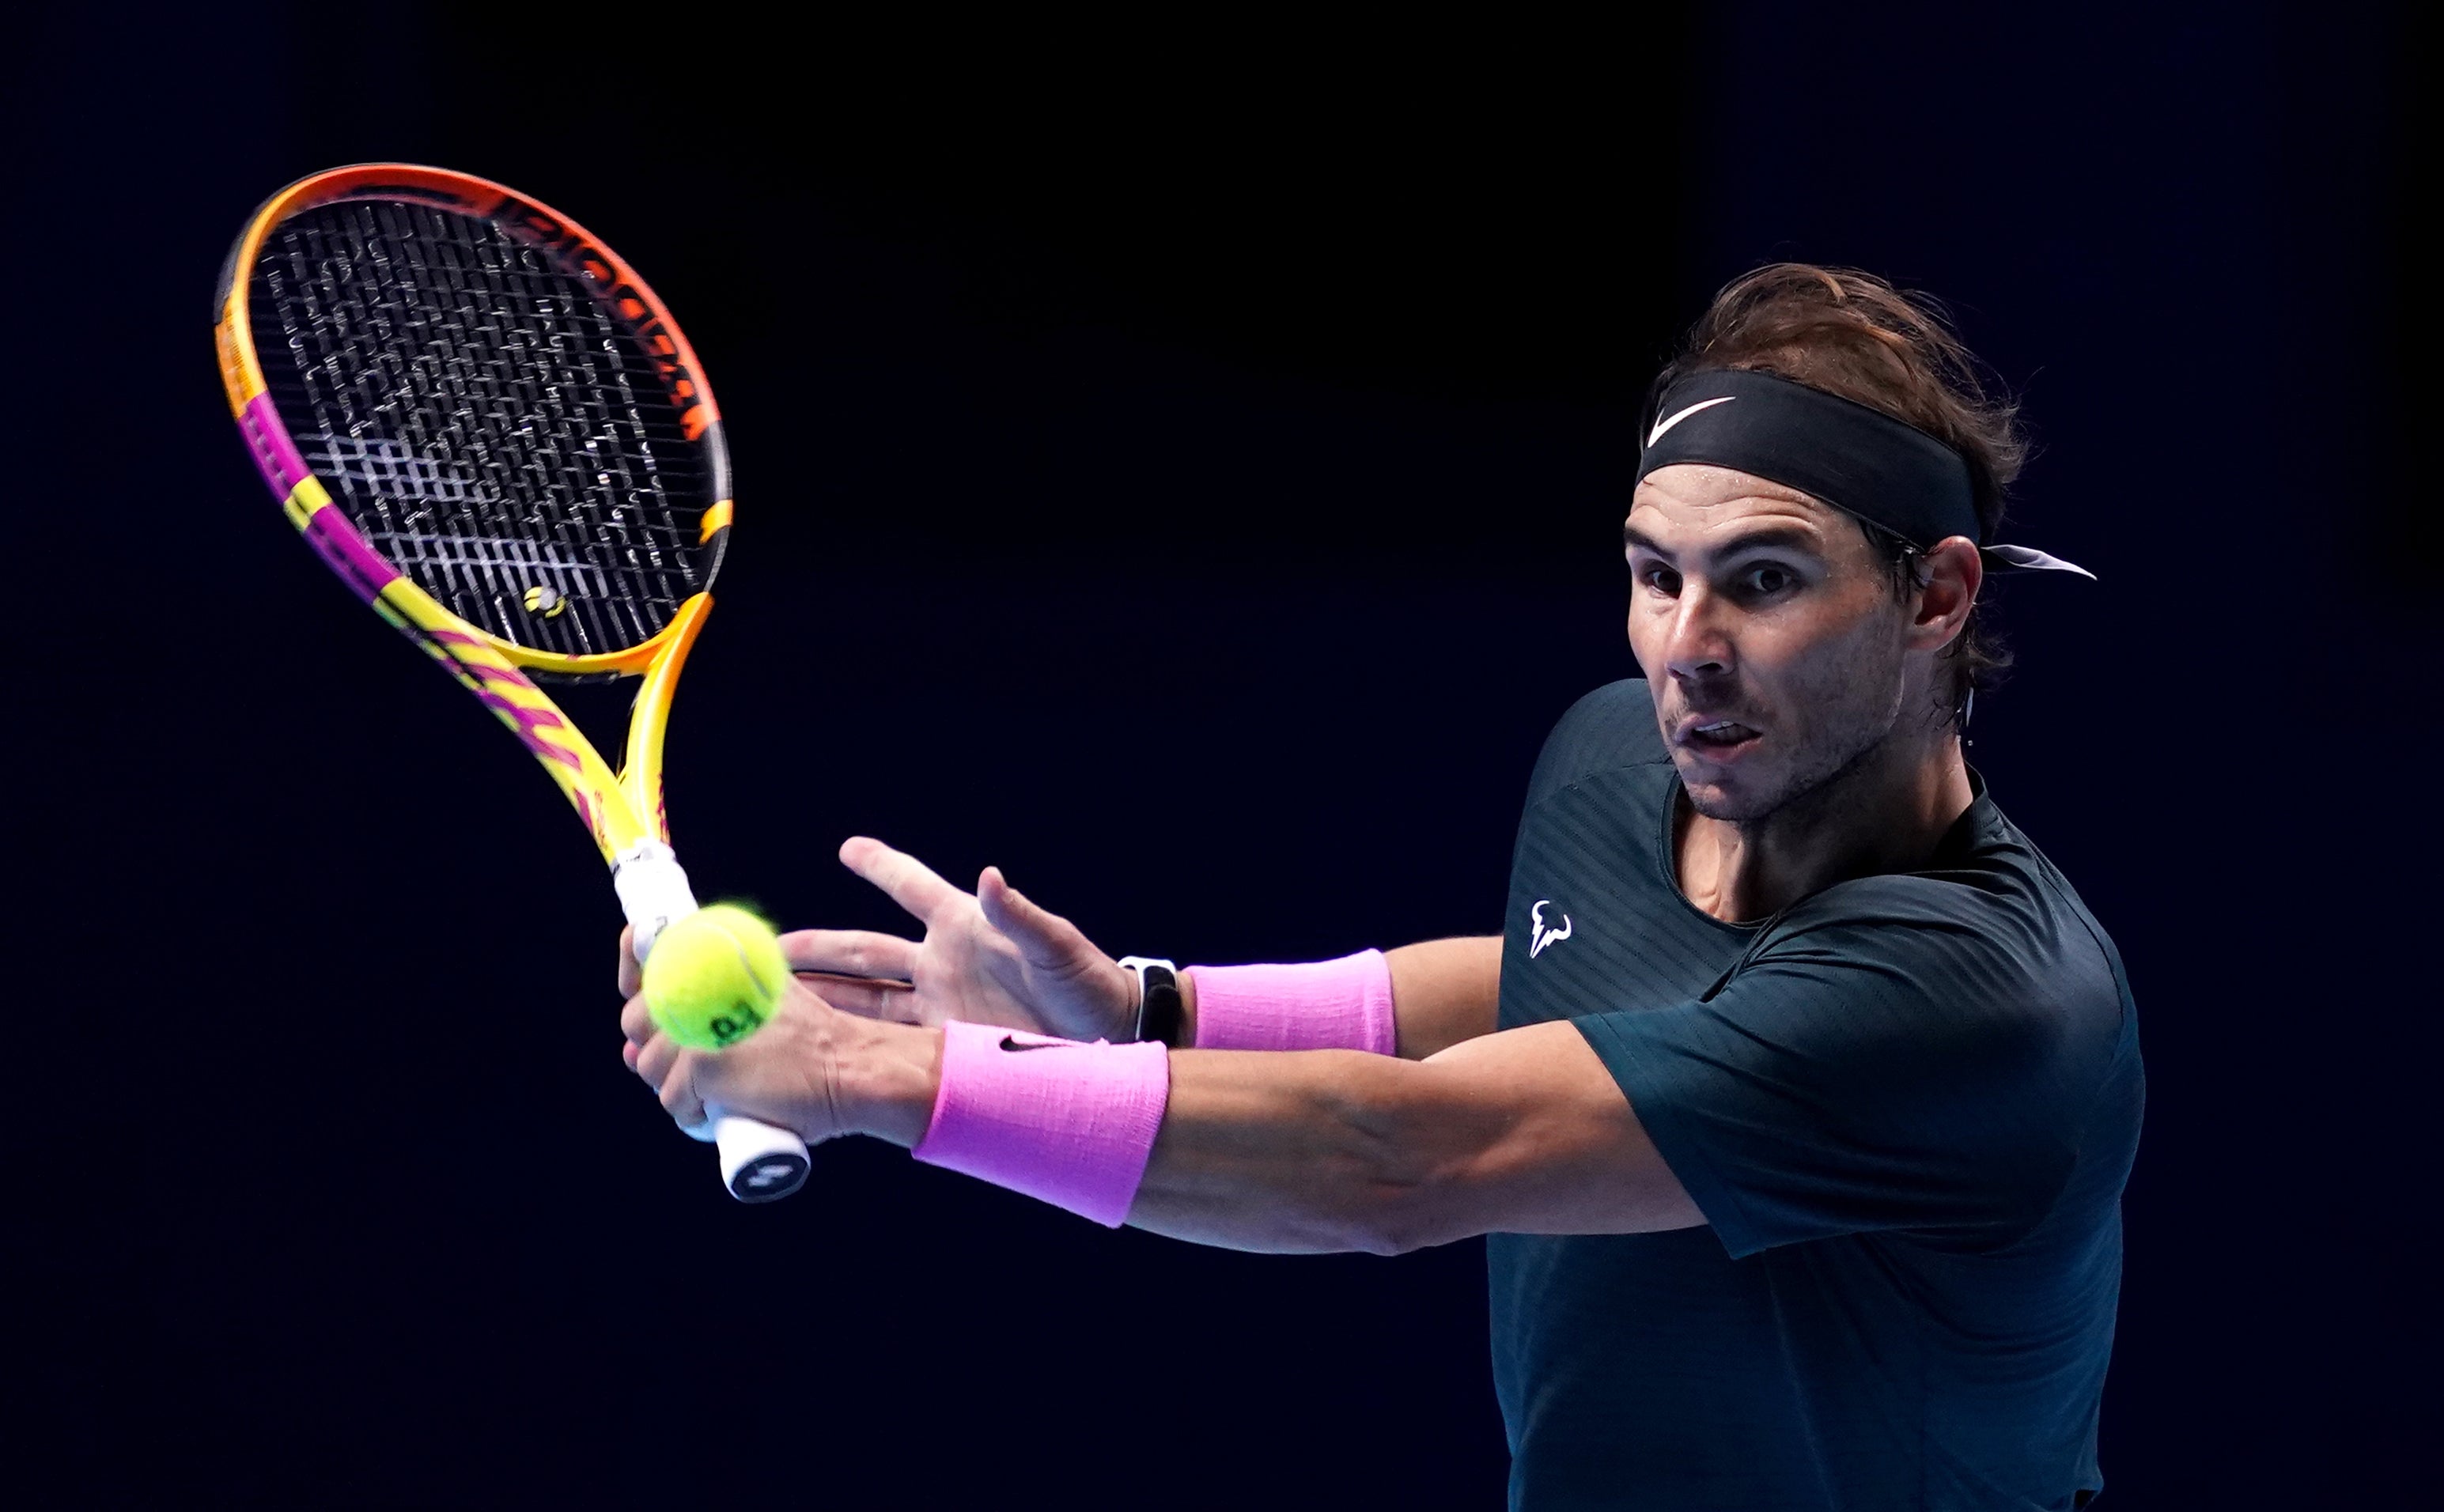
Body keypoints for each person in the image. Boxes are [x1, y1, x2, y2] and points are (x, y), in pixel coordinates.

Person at [619, 264, 2143, 1510]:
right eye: (1650, 572)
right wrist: (1148, 1010)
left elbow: (1398, 1163)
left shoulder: (1970, 1003)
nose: (1683, 647)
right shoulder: (1627, 759)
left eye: (1763, 579)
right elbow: (1573, 981)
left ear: (1936, 596)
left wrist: (882, 1076)